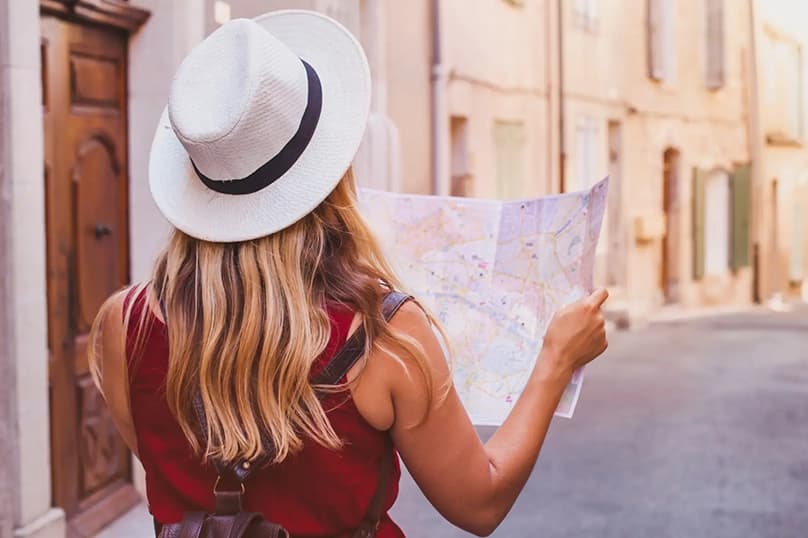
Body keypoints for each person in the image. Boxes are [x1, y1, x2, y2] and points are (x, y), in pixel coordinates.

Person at [88, 10, 609, 538]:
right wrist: (556, 358)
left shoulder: (122, 322)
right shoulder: (382, 333)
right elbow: (479, 503)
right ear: (331, 174)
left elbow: (173, 469)